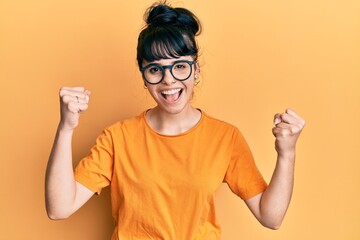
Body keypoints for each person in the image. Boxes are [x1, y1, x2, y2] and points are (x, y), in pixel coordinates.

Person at [45, 2, 305, 239]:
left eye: (180, 66)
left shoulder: (226, 138)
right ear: (144, 77)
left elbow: (270, 217)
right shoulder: (117, 138)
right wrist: (66, 127)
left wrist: (287, 153)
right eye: (156, 69)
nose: (168, 80)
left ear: (196, 69)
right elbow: (59, 208)